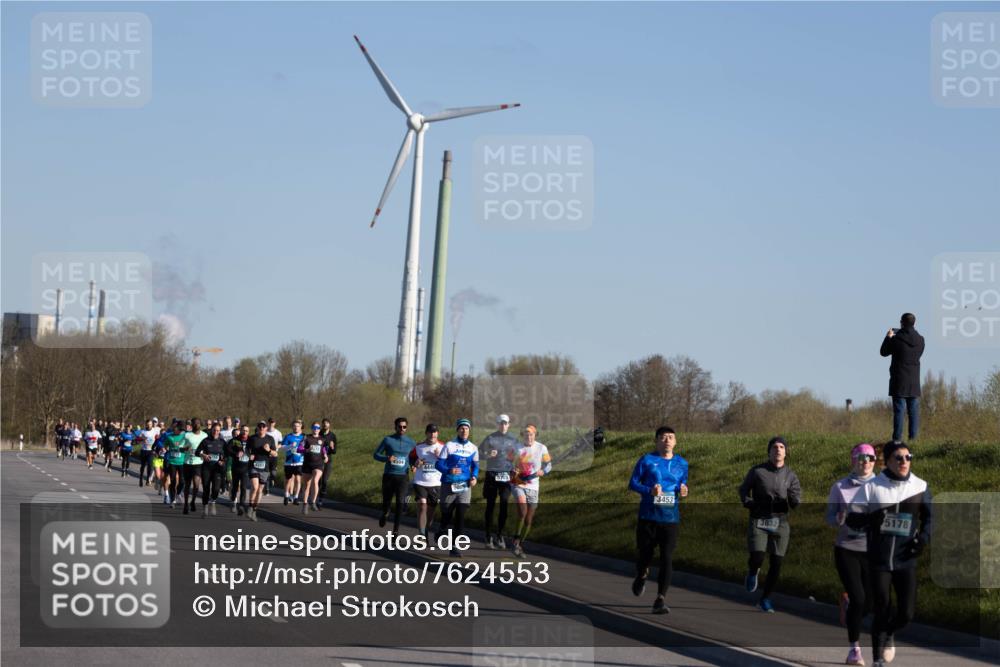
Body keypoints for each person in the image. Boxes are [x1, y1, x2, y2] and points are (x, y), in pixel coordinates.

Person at [846, 442, 932, 667]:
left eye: (908, 457)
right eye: (899, 458)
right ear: (888, 461)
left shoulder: (920, 486)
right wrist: (869, 520)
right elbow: (851, 518)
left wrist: (923, 538)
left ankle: (889, 632)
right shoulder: (872, 487)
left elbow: (930, 518)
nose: (904, 462)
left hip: (906, 559)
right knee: (882, 606)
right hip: (879, 559)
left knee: (907, 613)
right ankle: (877, 659)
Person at [628, 426, 689, 615]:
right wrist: (649, 491)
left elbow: (682, 484)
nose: (667, 440)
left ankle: (660, 599)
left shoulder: (682, 463)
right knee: (644, 555)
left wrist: (683, 490)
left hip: (670, 519)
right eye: (663, 437)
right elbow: (633, 483)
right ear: (656, 441)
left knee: (667, 558)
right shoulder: (647, 460)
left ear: (675, 441)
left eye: (671, 437)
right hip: (648, 517)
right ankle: (642, 574)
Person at [826, 443, 877, 666]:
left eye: (870, 458)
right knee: (859, 597)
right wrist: (837, 519)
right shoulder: (840, 487)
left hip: (873, 550)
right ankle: (854, 650)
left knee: (870, 602)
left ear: (875, 461)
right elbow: (828, 517)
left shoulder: (883, 487)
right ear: (853, 461)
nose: (865, 462)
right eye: (860, 458)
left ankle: (848, 606)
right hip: (847, 548)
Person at [738, 435, 801, 613]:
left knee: (777, 563)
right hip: (759, 519)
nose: (778, 450)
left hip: (780, 522)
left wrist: (793, 500)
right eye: (774, 447)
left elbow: (796, 497)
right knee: (758, 556)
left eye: (781, 447)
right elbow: (743, 489)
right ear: (769, 452)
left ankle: (765, 599)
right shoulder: (757, 471)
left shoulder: (790, 475)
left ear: (786, 452)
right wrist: (748, 502)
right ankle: (752, 571)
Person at [435, 419, 480, 557]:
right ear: (457, 430)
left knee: (460, 515)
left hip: (465, 486)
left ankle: (454, 546)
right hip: (449, 484)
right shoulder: (449, 445)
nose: (464, 430)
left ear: (469, 430)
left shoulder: (473, 448)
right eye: (461, 428)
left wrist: (474, 477)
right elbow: (438, 465)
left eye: (466, 428)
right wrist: (449, 470)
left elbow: (476, 466)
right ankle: (442, 528)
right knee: (447, 513)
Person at [880, 313, 925, 442]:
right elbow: (919, 354)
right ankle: (913, 439)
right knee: (914, 412)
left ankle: (897, 439)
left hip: (899, 379)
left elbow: (883, 352)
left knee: (899, 411)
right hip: (914, 381)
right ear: (914, 323)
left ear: (902, 323)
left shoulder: (896, 339)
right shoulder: (921, 340)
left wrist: (888, 337)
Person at [510, 424, 551, 558]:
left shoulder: (541, 448)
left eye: (531, 434)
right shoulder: (517, 447)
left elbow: (549, 465)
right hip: (518, 483)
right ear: (523, 435)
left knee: (528, 520)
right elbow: (507, 462)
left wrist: (542, 471)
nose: (529, 436)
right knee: (522, 511)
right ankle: (515, 540)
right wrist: (512, 470)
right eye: (526, 434)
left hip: (533, 486)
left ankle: (519, 544)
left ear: (535, 435)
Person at [479, 414, 519, 549]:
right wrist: (487, 455)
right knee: (490, 506)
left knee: (504, 504)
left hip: (506, 476)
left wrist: (516, 468)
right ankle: (488, 536)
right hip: (492, 475)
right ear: (497, 424)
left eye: (505, 423)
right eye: (501, 423)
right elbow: (478, 453)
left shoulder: (514, 439)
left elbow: (518, 456)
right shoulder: (490, 438)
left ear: (509, 424)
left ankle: (500, 535)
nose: (503, 425)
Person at [374, 417, 416, 533]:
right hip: (389, 476)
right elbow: (376, 454)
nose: (402, 429)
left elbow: (413, 458)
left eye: (404, 427)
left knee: (400, 504)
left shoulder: (411, 442)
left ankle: (395, 531)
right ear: (395, 427)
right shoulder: (388, 440)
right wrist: (387, 458)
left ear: (406, 428)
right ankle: (385, 512)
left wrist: (413, 465)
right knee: (387, 501)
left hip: (403, 477)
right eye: (400, 426)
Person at [409, 424, 444, 538]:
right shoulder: (419, 447)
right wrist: (415, 463)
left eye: (434, 432)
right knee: (422, 506)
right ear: (426, 433)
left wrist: (440, 457)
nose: (432, 434)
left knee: (430, 512)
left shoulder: (443, 447)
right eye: (430, 432)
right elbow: (411, 458)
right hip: (420, 481)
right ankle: (422, 535)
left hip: (436, 483)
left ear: (437, 434)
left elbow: (449, 463)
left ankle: (426, 529)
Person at [247, 421, 278, 521]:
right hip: (254, 466)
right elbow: (247, 450)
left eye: (263, 427)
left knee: (260, 490)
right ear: (257, 428)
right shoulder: (252, 438)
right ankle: (250, 506)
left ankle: (254, 510)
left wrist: (269, 450)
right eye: (260, 427)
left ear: (266, 428)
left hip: (265, 467)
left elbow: (275, 454)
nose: (261, 428)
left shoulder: (270, 439)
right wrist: (249, 455)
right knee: (255, 487)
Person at [197, 423, 228, 516]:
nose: (216, 432)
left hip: (217, 469)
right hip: (206, 468)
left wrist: (223, 461)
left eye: (218, 430)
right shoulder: (205, 441)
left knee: (216, 489)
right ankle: (205, 507)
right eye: (214, 430)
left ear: (220, 431)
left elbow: (227, 455)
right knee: (206, 489)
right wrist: (203, 455)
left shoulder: (222, 442)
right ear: (211, 430)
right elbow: (197, 452)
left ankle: (213, 501)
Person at [299, 422, 329, 514]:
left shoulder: (322, 439)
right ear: (312, 428)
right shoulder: (306, 438)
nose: (316, 429)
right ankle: (305, 504)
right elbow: (299, 449)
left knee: (315, 480)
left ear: (320, 429)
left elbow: (323, 449)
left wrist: (325, 455)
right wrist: (307, 450)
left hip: (318, 464)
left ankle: (313, 502)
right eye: (314, 427)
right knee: (306, 485)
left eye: (318, 427)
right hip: (307, 464)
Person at [182, 418, 207, 515]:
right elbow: (180, 448)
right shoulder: (187, 435)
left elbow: (207, 447)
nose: (197, 424)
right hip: (188, 463)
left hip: (198, 463)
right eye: (195, 423)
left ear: (200, 424)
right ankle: (185, 505)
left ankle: (192, 501)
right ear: (191, 424)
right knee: (187, 485)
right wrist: (184, 448)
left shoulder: (205, 435)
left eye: (198, 423)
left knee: (196, 485)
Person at [162, 420, 188, 507]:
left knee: (182, 481)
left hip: (182, 462)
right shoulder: (170, 437)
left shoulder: (185, 436)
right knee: (172, 481)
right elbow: (165, 445)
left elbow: (190, 445)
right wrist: (165, 449)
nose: (174, 429)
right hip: (172, 462)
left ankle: (179, 493)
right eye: (174, 427)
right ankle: (173, 500)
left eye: (176, 427)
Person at [281, 420, 305, 505]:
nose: (296, 427)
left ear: (300, 427)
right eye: (294, 426)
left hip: (299, 462)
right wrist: (291, 446)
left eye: (297, 426)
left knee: (298, 480)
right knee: (288, 480)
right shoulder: (288, 436)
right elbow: (282, 448)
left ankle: (296, 497)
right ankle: (286, 495)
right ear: (292, 427)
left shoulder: (303, 437)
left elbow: (306, 448)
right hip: (289, 462)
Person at [229, 427, 252, 515]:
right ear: (241, 431)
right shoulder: (235, 440)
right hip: (236, 467)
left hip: (246, 468)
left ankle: (241, 505)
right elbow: (228, 449)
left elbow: (255, 449)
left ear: (248, 432)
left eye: (246, 430)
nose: (244, 432)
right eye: (243, 430)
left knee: (243, 487)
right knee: (235, 487)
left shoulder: (251, 440)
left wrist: (252, 455)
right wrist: (235, 454)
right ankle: (233, 501)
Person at [317, 418, 338, 508]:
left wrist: (332, 448)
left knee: (325, 481)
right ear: (322, 425)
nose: (325, 425)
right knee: (318, 481)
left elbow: (334, 451)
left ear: (329, 424)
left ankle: (321, 498)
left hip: (328, 461)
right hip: (318, 460)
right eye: (324, 423)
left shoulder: (332, 436)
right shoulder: (319, 434)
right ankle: (316, 497)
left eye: (327, 423)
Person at [138, 419, 159, 487]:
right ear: (146, 424)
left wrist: (156, 448)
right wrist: (142, 438)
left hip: (151, 451)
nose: (149, 425)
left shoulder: (155, 431)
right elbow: (138, 439)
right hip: (144, 450)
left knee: (150, 465)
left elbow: (158, 439)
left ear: (152, 424)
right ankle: (141, 478)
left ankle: (148, 479)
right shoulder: (143, 431)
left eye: (150, 424)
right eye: (147, 424)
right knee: (143, 466)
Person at [265, 418, 282, 495]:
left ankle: (273, 479)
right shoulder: (265, 432)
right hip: (266, 455)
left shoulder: (278, 433)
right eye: (270, 422)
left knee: (273, 473)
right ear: (268, 423)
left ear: (274, 423)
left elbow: (280, 443)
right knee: (266, 472)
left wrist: (276, 448)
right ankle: (267, 489)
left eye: (273, 422)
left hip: (274, 454)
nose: (271, 424)